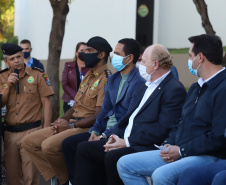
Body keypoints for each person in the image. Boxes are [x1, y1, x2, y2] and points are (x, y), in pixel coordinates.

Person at [117, 34, 226, 185]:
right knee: (124, 164)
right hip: (179, 150)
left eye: (190, 56)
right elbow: (180, 122)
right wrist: (169, 143)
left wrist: (182, 151)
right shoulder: (196, 87)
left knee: (161, 175)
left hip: (207, 155)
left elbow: (219, 136)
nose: (189, 61)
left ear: (200, 58)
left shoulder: (222, 88)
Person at [73, 44, 187, 185]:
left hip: (145, 144)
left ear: (155, 64)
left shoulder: (173, 89)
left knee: (112, 156)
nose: (140, 65)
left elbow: (162, 130)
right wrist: (112, 136)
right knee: (85, 148)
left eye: (143, 61)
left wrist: (127, 142)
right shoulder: (146, 85)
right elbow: (128, 118)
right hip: (125, 139)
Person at [21, 36, 112, 185]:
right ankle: (65, 178)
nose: (85, 54)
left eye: (90, 50)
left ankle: (67, 180)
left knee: (48, 146)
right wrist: (63, 120)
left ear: (101, 55)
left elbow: (98, 116)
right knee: (29, 142)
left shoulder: (106, 78)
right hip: (72, 123)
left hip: (85, 127)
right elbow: (76, 106)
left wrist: (70, 125)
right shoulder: (88, 75)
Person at [62, 38, 145, 184]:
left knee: (84, 148)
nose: (114, 57)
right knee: (69, 143)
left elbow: (127, 118)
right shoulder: (113, 79)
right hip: (103, 131)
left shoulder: (138, 83)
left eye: (118, 54)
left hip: (119, 134)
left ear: (130, 58)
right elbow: (104, 111)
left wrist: (104, 134)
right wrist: (94, 131)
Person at [0, 43, 54, 185]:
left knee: (31, 177)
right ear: (6, 61)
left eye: (19, 57)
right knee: (12, 178)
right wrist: (8, 86)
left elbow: (46, 103)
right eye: (12, 59)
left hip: (32, 131)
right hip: (10, 133)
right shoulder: (2, 77)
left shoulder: (37, 75)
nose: (17, 61)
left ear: (23, 56)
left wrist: (46, 130)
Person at [62, 42, 90, 113]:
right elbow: (64, 83)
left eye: (86, 51)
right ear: (76, 53)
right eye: (81, 51)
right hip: (70, 102)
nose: (84, 53)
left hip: (86, 103)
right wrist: (77, 97)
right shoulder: (68, 66)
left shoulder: (91, 67)